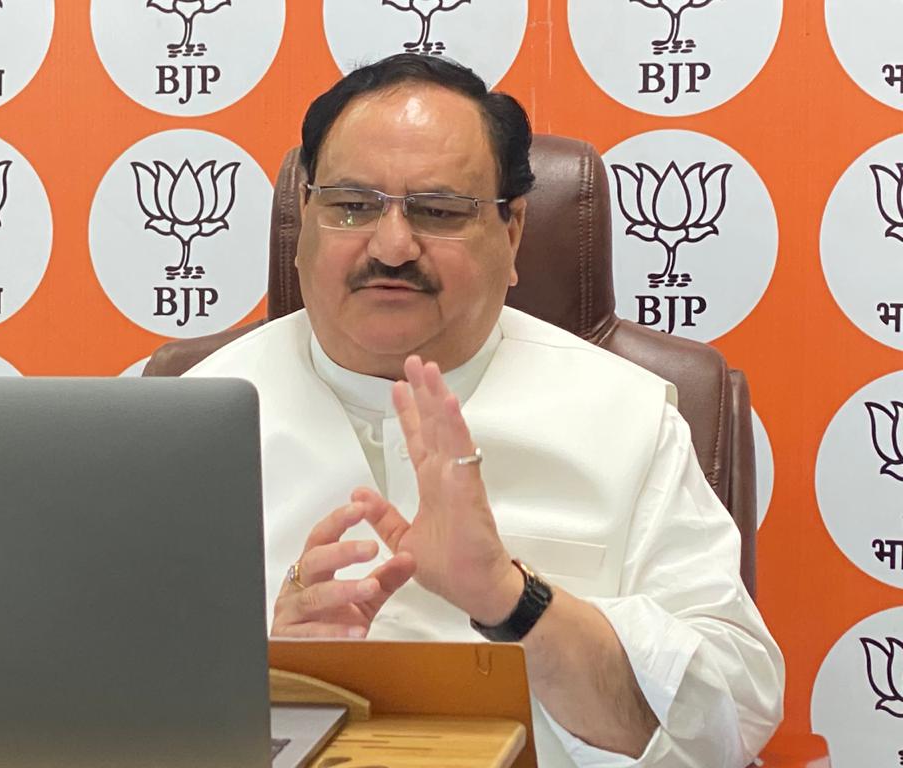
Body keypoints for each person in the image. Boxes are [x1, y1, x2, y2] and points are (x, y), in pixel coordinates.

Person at [184, 53, 784, 767]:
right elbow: (100, 698)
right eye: (352, 204)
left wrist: (515, 601)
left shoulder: (626, 415)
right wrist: (267, 677)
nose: (393, 245)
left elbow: (735, 714)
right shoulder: (185, 420)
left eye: (439, 211)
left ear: (512, 232)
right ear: (304, 221)